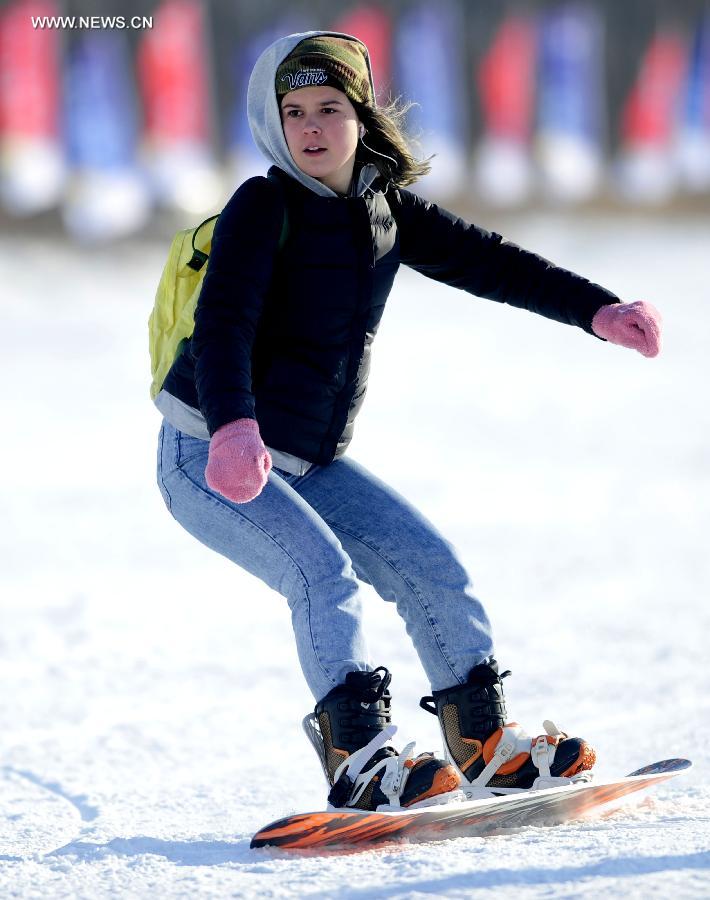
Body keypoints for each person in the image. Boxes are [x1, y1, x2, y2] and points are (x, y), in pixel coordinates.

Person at [154, 31, 662, 811]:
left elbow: (491, 261)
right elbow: (222, 324)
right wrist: (230, 428)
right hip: (210, 450)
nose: (313, 128)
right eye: (294, 113)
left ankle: (486, 747)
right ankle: (358, 763)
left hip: (309, 458)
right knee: (321, 575)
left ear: (362, 117)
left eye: (330, 108)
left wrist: (596, 308)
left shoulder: (384, 209)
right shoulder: (263, 206)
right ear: (273, 123)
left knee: (431, 563)